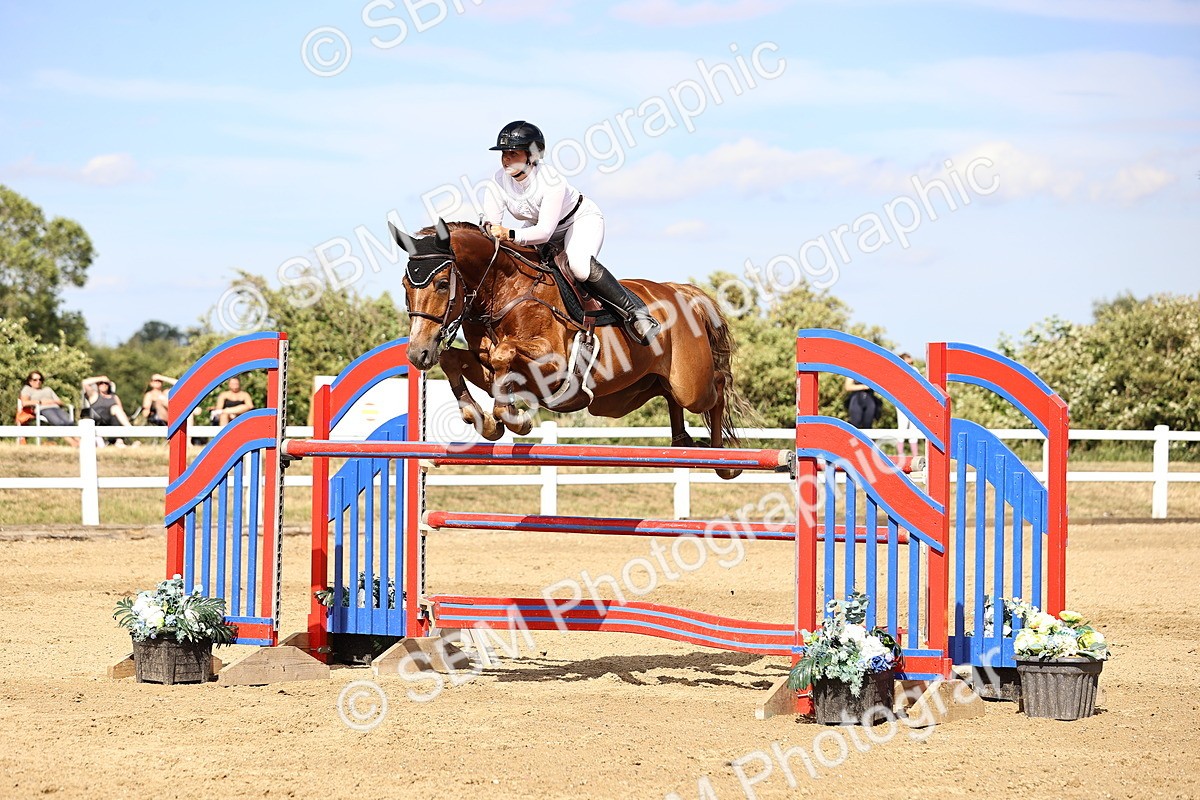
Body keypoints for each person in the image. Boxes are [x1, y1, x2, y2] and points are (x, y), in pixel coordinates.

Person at [480, 120, 659, 345]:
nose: (506, 158)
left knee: (578, 265)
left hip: (578, 220)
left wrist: (510, 235)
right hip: (535, 227)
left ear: (531, 156)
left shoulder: (551, 181)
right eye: (503, 153)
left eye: (512, 153)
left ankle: (635, 314)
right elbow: (491, 225)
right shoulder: (497, 181)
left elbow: (545, 232)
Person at [18, 371, 79, 446]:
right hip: (43, 409)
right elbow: (25, 403)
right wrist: (41, 402)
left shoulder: (48, 389)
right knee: (59, 423)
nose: (38, 382)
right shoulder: (27, 389)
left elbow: (60, 402)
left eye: (40, 379)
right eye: (35, 380)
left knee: (69, 422)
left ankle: (80, 441)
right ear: (30, 381)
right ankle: (73, 443)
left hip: (56, 408)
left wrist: (53, 402)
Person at [82, 376, 134, 446]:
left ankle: (120, 439)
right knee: (115, 408)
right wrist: (101, 378)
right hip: (98, 419)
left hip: (112, 420)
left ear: (109, 385)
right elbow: (84, 382)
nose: (104, 385)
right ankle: (131, 430)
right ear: (98, 385)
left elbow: (121, 411)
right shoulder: (94, 395)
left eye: (106, 383)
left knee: (116, 409)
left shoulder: (114, 397)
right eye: (101, 383)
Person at [893, 353, 921, 458]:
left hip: (913, 403)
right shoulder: (898, 372)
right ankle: (900, 454)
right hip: (901, 402)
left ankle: (915, 455)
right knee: (902, 427)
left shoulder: (915, 370)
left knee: (914, 429)